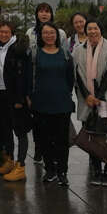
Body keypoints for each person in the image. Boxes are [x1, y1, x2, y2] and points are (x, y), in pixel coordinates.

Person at [74, 19, 107, 187]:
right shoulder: (79, 50)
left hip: (105, 99)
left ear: (100, 30)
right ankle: (96, 170)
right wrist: (87, 95)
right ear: (85, 31)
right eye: (89, 29)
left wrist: (99, 96)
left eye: (95, 28)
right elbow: (77, 75)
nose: (92, 31)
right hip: (87, 99)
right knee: (90, 134)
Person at [28, 21, 74, 187]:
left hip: (61, 102)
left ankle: (62, 171)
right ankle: (50, 170)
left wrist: (65, 93)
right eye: (45, 33)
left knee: (62, 140)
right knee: (44, 139)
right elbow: (30, 77)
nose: (48, 35)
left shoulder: (66, 54)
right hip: (41, 102)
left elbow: (71, 79)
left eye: (51, 33)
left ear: (57, 35)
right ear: (41, 36)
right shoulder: (35, 54)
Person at [26, 2, 68, 165]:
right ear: (36, 14)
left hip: (56, 79)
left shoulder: (61, 34)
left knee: (56, 123)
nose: (44, 14)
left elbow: (65, 57)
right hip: (37, 80)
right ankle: (39, 148)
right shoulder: (30, 32)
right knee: (38, 120)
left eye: (47, 11)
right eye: (41, 11)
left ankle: (55, 156)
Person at [0, 21, 32, 182]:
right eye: (1, 32)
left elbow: (25, 75)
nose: (4, 35)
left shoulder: (19, 49)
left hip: (16, 95)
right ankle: (10, 161)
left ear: (12, 33)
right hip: (0, 94)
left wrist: (21, 97)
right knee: (5, 129)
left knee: (20, 131)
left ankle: (21, 166)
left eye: (7, 32)